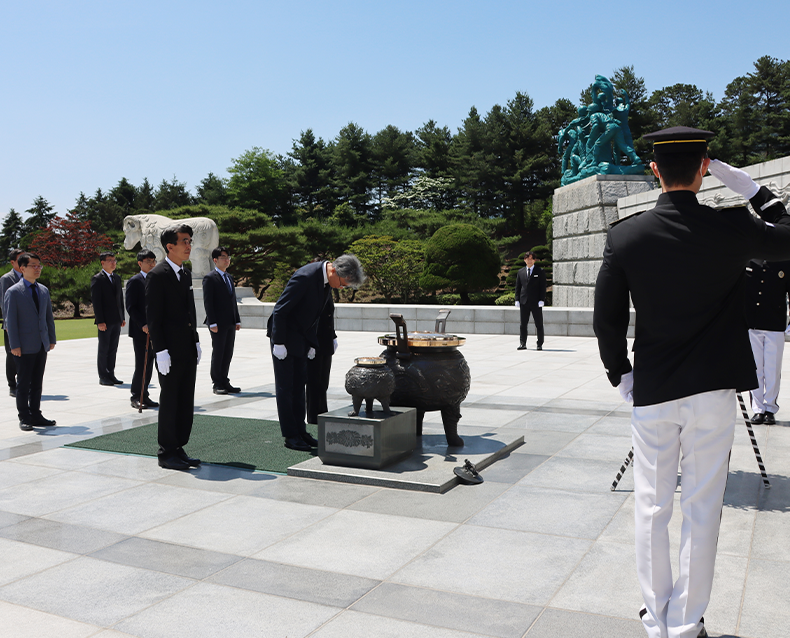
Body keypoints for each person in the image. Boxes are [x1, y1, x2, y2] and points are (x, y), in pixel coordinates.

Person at [593, 126, 790, 638]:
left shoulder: (626, 235)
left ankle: (655, 617)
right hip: (714, 391)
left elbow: (606, 319)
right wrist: (752, 189)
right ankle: (685, 624)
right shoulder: (732, 228)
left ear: (655, 171)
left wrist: (621, 375)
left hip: (654, 389)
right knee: (702, 509)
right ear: (704, 169)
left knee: (651, 506)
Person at [267, 254, 365, 451]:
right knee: (286, 389)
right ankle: (290, 435)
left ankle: (300, 431)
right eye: (343, 284)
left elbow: (316, 315)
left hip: (302, 338)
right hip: (285, 339)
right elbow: (280, 310)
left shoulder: (326, 281)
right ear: (334, 272)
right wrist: (278, 342)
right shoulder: (305, 276)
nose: (341, 288)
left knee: (299, 387)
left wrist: (312, 343)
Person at [145, 224, 202, 471]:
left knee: (185, 400)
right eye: (184, 241)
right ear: (170, 247)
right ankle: (166, 451)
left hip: (187, 346)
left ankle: (179, 446)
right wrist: (160, 351)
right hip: (169, 349)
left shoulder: (186, 274)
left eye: (190, 241)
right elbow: (154, 317)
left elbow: (190, 310)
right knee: (170, 400)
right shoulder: (158, 275)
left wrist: (196, 339)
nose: (189, 246)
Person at [4, 253, 57, 431]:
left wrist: (51, 338)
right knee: (23, 383)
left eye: (39, 265)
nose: (37, 269)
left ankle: (36, 414)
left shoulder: (43, 290)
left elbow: (48, 317)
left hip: (41, 343)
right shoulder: (13, 292)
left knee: (37, 382)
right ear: (22, 268)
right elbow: (10, 322)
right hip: (23, 346)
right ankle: (24, 417)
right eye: (33, 265)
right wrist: (14, 345)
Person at [744, 258, 790, 424]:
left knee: (772, 368)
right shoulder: (748, 262)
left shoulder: (784, 262)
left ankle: (770, 408)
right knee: (755, 368)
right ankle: (758, 409)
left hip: (774, 323)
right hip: (751, 322)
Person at [202, 246, 241, 395]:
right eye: (223, 257)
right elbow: (208, 302)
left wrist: (236, 320)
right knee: (218, 352)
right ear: (215, 260)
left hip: (230, 322)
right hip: (217, 323)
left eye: (228, 257)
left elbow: (233, 301)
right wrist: (212, 322)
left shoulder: (229, 277)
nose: (227, 260)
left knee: (228, 352)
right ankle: (217, 383)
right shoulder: (210, 278)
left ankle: (225, 380)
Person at [125, 249, 159, 410]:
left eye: (154, 261)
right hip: (142, 331)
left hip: (156, 329)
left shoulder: (157, 279)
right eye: (148, 262)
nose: (152, 264)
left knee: (150, 363)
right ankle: (136, 396)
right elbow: (131, 307)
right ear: (140, 263)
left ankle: (145, 395)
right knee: (142, 363)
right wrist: (143, 324)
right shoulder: (135, 281)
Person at [90, 252, 126, 385]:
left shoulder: (116, 278)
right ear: (102, 263)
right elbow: (97, 302)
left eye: (114, 260)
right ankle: (103, 376)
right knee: (104, 348)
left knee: (113, 348)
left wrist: (122, 317)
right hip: (105, 321)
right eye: (110, 260)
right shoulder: (97, 279)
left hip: (116, 320)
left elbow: (119, 300)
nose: (113, 263)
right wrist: (100, 321)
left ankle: (111, 374)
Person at [306, 289, 337, 424]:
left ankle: (322, 412)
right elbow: (308, 317)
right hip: (314, 342)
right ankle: (313, 417)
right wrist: (310, 342)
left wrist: (333, 336)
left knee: (323, 381)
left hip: (325, 341)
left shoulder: (326, 288)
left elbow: (328, 315)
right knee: (314, 381)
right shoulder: (312, 289)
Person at [1, 248, 25, 397]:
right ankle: (12, 384)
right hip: (12, 324)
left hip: (27, 324)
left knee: (26, 354)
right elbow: (4, 303)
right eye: (20, 259)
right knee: (12, 354)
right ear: (12, 262)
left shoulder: (28, 277)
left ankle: (23, 382)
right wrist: (9, 324)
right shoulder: (6, 279)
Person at [514, 250, 546, 350]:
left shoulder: (540, 271)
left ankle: (539, 343)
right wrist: (517, 299)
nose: (529, 261)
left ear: (534, 260)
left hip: (536, 302)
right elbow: (518, 287)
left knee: (539, 324)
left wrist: (542, 299)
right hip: (524, 302)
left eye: (531, 259)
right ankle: (522, 343)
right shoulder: (520, 272)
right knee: (523, 324)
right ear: (524, 260)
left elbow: (543, 287)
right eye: (528, 259)